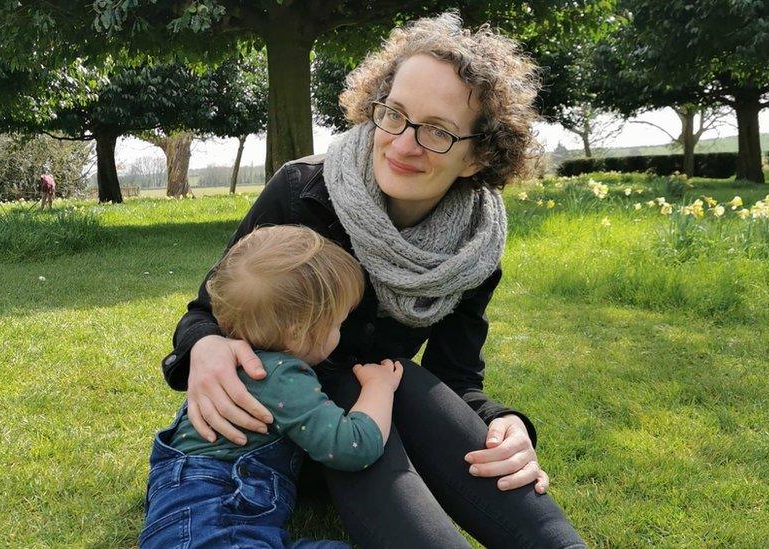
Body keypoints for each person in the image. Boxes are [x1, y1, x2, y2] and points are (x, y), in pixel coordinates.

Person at [161, 12, 586, 548]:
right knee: (358, 377)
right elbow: (207, 311)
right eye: (395, 115)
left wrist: (506, 423)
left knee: (391, 375)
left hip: (380, 410)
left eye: (437, 130)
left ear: (479, 155)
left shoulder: (472, 251)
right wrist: (204, 348)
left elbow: (456, 380)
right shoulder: (302, 193)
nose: (403, 145)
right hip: (279, 431)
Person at [141, 225, 403, 548]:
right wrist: (379, 387)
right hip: (210, 521)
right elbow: (352, 445)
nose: (341, 332)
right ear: (296, 333)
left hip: (195, 516)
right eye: (337, 324)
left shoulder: (239, 358)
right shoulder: (278, 376)